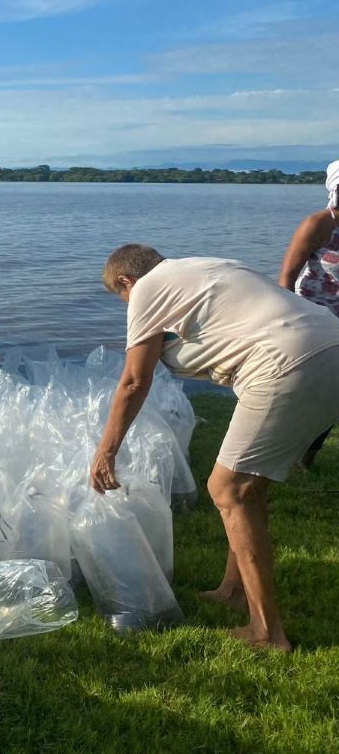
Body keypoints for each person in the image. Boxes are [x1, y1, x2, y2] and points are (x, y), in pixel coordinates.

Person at [90, 245, 339, 651]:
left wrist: (106, 451)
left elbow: (134, 381)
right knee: (250, 486)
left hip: (286, 362)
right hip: (330, 345)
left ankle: (266, 632)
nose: (127, 306)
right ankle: (233, 589)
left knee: (227, 488)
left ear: (125, 281)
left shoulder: (147, 289)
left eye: (122, 297)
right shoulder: (206, 268)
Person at [277, 160, 339, 467]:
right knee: (304, 388)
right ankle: (287, 448)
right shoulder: (318, 225)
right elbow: (287, 277)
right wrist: (287, 323)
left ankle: (307, 456)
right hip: (313, 318)